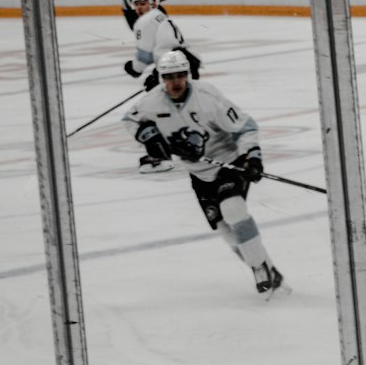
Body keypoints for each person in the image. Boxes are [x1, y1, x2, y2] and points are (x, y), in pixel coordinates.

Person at [122, 52, 285, 298]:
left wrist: (252, 157)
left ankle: (259, 267)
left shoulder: (207, 97)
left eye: (180, 75)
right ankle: (270, 270)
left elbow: (246, 126)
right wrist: (149, 137)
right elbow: (130, 120)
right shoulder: (151, 102)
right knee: (224, 230)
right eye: (169, 77)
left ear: (187, 75)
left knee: (233, 209)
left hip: (228, 163)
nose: (175, 82)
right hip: (199, 174)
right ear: (161, 78)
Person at [123, 0, 201, 107]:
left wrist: (133, 69)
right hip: (187, 64)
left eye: (143, 4)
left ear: (154, 3)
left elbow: (143, 58)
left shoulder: (144, 21)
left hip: (173, 69)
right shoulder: (160, 15)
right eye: (136, 4)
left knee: (163, 108)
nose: (138, 8)